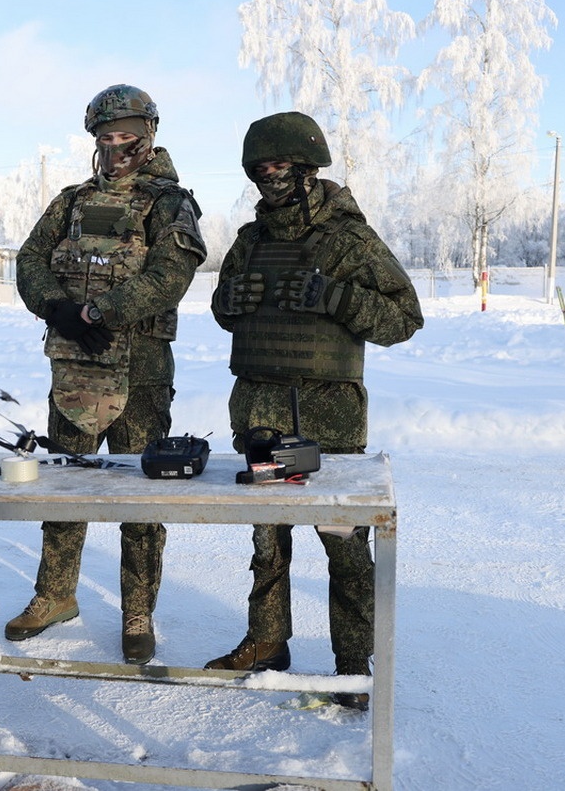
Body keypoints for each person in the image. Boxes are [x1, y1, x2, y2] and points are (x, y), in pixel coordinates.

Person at [204, 111, 423, 709]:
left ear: (306, 169)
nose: (268, 176)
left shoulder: (348, 237)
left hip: (327, 414)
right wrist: (231, 301)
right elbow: (227, 312)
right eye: (260, 168)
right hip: (259, 404)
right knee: (267, 536)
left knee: (342, 538)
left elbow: (404, 317)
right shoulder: (250, 240)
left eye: (279, 165)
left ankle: (353, 664)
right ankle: (266, 641)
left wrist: (335, 296)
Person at [6, 84, 206, 665]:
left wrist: (101, 311)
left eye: (128, 137)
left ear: (149, 135)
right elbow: (29, 261)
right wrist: (59, 309)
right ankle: (54, 594)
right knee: (65, 483)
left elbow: (170, 275)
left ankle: (137, 610)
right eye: (106, 138)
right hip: (74, 370)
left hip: (139, 371)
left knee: (142, 491)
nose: (117, 148)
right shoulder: (70, 202)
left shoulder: (170, 203)